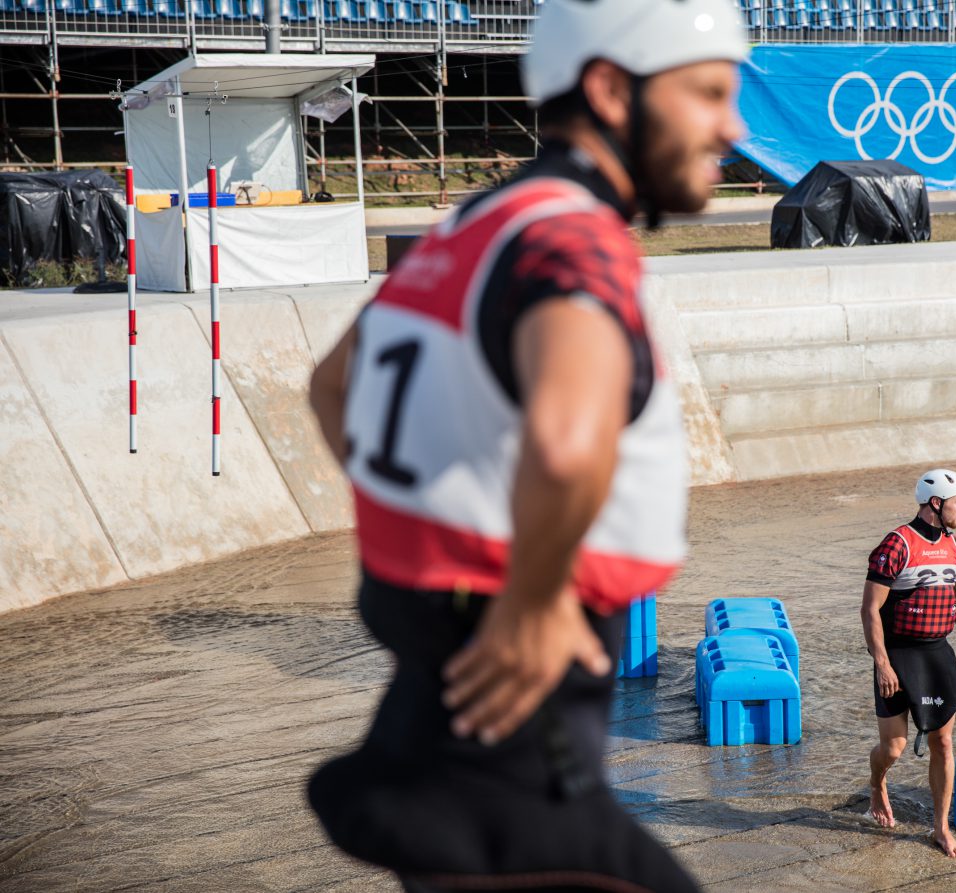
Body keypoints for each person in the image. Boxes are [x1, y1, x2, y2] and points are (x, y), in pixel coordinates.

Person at [304, 2, 748, 891]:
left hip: (432, 695)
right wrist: (530, 597)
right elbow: (565, 439)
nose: (733, 128)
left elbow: (331, 384)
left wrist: (440, 527)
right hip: (512, 732)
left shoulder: (473, 226)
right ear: (612, 90)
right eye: (707, 93)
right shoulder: (574, 241)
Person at [860, 469, 956, 859]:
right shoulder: (897, 545)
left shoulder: (955, 546)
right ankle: (876, 783)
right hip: (898, 654)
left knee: (943, 741)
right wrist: (882, 663)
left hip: (937, 652)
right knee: (894, 747)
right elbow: (870, 610)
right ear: (936, 504)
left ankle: (940, 828)